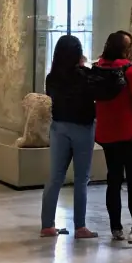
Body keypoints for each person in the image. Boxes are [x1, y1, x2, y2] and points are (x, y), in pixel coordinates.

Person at [94, 30, 132, 245]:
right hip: (130, 135)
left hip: (108, 135)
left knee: (113, 180)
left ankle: (115, 227)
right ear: (127, 50)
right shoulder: (131, 71)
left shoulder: (98, 69)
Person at [40, 34, 98, 239]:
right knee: (81, 179)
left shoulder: (52, 77)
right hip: (82, 128)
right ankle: (80, 226)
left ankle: (47, 225)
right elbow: (96, 93)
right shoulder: (85, 75)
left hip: (59, 127)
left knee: (55, 177)